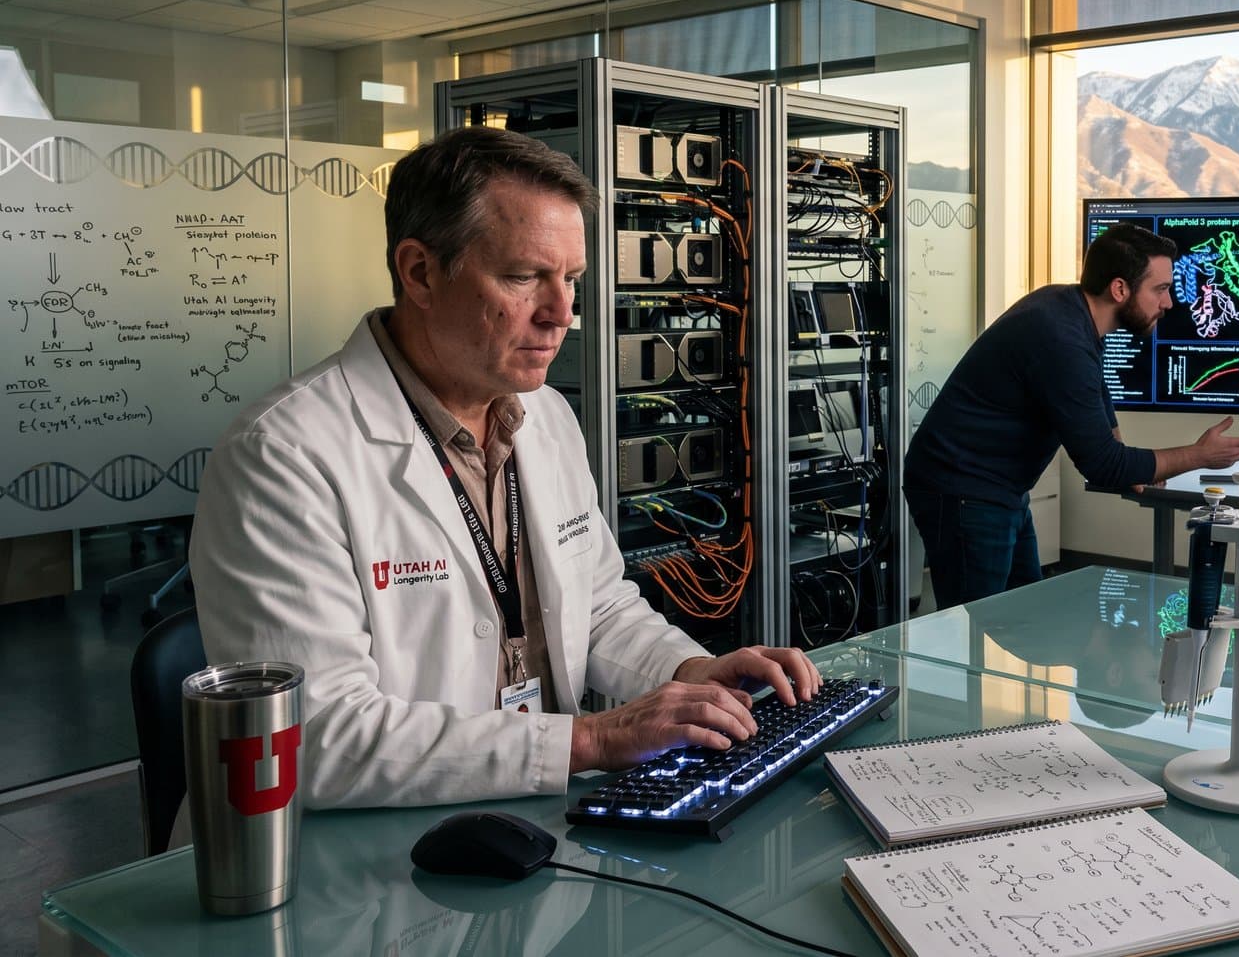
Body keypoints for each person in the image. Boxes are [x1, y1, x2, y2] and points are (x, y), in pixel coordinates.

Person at [190, 127, 820, 809]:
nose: (562, 314)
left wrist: (691, 671)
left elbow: (598, 606)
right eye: (525, 277)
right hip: (371, 857)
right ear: (421, 272)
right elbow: (316, 734)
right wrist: (592, 741)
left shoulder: (543, 414)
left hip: (530, 817)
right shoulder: (284, 454)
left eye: (572, 280)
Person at [903, 223, 1239, 609]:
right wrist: (1200, 455)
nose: (1169, 303)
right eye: (1160, 289)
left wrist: (1138, 467)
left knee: (1023, 618)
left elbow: (1099, 402)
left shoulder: (1072, 311)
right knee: (972, 629)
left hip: (995, 486)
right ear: (1120, 289)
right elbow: (1102, 465)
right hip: (962, 488)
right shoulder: (1060, 337)